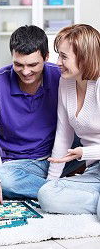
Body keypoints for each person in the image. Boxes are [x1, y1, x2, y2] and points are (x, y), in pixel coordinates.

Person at [0, 25, 83, 205]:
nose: (25, 72)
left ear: (46, 57)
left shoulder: (61, 76)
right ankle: (67, 190)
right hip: (23, 165)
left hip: (64, 153)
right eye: (18, 64)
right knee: (2, 179)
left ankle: (58, 188)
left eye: (33, 64)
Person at [38, 24, 100, 219]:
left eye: (64, 57)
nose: (58, 62)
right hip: (95, 170)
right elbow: (63, 135)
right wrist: (51, 182)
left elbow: (80, 151)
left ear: (84, 58)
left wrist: (84, 152)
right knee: (46, 195)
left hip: (89, 158)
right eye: (58, 55)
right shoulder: (65, 82)